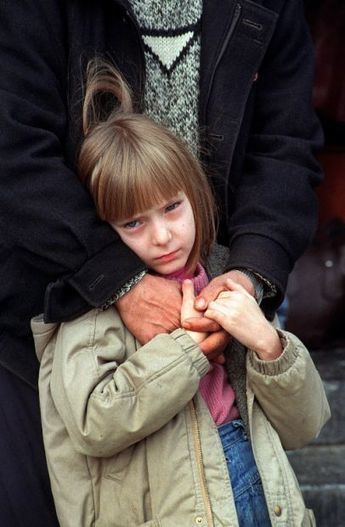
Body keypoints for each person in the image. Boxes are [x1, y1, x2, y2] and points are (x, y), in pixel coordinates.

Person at [0, 1, 324, 524]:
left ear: (194, 195)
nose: (163, 236)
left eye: (173, 208)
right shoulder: (83, 319)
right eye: (133, 223)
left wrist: (263, 328)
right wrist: (136, 297)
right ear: (110, 223)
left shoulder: (227, 292)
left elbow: (305, 423)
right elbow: (93, 423)